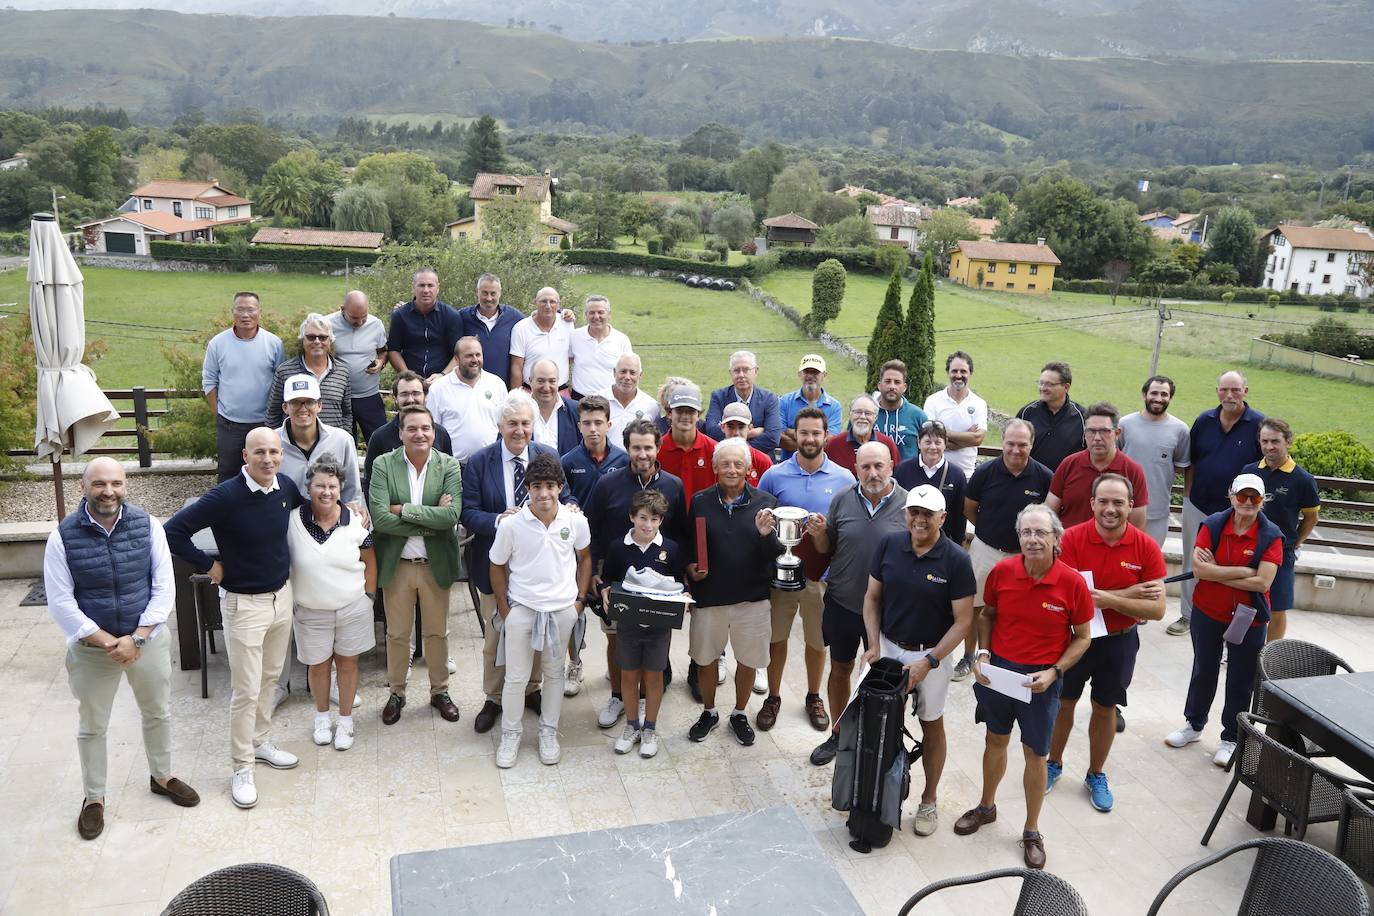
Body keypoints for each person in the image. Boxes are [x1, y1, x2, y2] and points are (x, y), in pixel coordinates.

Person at [45, 458, 199, 840]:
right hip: (92, 650)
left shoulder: (148, 526)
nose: (108, 491)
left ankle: (161, 777)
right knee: (93, 726)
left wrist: (138, 637)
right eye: (99, 483)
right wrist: (107, 641)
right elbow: (61, 602)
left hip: (144, 641)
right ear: (84, 487)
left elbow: (164, 587)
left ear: (125, 484)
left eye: (115, 482)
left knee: (157, 712)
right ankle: (94, 798)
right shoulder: (62, 537)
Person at [165, 428, 305, 809]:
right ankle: (241, 766)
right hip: (245, 605)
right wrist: (211, 567)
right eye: (259, 452)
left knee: (271, 679)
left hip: (281, 597)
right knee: (245, 689)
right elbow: (173, 532)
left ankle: (259, 742)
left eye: (274, 452)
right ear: (245, 456)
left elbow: (309, 508)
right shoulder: (225, 495)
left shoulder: (285, 488)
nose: (268, 459)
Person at [957, 504, 1092, 870]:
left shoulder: (1072, 583)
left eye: (1040, 533)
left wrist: (1054, 672)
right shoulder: (1002, 571)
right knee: (994, 741)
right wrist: (982, 653)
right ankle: (987, 807)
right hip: (999, 673)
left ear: (1056, 538)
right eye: (1026, 533)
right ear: (1018, 537)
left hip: (1040, 681)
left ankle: (1031, 830)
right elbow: (987, 615)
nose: (1032, 539)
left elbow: (1082, 638)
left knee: (1036, 755)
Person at [860, 485, 976, 837]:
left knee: (931, 724)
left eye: (929, 514)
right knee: (877, 721)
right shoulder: (888, 545)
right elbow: (871, 598)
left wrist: (929, 661)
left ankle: (928, 798)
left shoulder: (956, 559)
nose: (920, 520)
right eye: (914, 512)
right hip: (889, 648)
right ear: (905, 514)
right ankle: (875, 793)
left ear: (943, 518)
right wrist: (873, 644)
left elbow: (963, 621)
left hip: (932, 654)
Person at [1047, 474, 1166, 813]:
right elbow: (1060, 594)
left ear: (1131, 505)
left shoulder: (1145, 547)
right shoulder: (1070, 539)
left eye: (1118, 502)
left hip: (1119, 642)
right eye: (1104, 501)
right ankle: (1052, 764)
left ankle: (1095, 774)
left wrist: (1107, 598)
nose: (1110, 509)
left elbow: (1156, 609)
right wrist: (1129, 594)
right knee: (1063, 703)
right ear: (1092, 504)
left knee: (1105, 708)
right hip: (1074, 638)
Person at [460, 392, 567, 734]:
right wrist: (499, 521)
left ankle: (532, 688)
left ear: (533, 426)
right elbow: (468, 511)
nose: (519, 431)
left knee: (536, 627)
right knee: (497, 634)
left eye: (525, 423)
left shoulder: (548, 456)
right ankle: (493, 697)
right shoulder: (480, 461)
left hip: (538, 565)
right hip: (495, 562)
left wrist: (573, 508)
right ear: (499, 426)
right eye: (512, 424)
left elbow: (569, 495)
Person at [1165, 473, 1281, 768]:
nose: (1247, 503)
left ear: (1262, 501)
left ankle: (1231, 737)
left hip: (1249, 618)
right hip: (1208, 612)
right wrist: (1244, 572)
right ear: (1231, 496)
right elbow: (1200, 570)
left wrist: (1221, 570)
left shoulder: (1271, 535)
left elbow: (1262, 584)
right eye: (1242, 496)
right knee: (1204, 669)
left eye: (1254, 498)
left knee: (1241, 679)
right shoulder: (1213, 524)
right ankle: (1194, 725)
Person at [807, 442, 909, 767]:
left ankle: (877, 739)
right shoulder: (842, 499)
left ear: (892, 465)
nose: (873, 473)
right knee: (840, 669)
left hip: (887, 611)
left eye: (879, 466)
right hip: (842, 602)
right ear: (856, 469)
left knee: (882, 679)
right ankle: (838, 734)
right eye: (865, 467)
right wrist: (819, 533)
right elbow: (827, 546)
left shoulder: (908, 506)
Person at [490, 453, 592, 768]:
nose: (543, 493)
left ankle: (548, 732)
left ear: (560, 487)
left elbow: (585, 558)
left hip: (562, 608)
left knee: (553, 673)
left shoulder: (575, 520)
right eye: (536, 486)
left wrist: (578, 602)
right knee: (516, 676)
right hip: (522, 607)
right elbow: (496, 565)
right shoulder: (511, 525)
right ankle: (511, 734)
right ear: (528, 488)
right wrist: (506, 610)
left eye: (550, 485)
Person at [756, 407, 854, 731]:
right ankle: (773, 696)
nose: (809, 439)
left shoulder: (843, 478)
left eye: (816, 433)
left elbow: (845, 530)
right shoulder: (774, 474)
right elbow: (764, 523)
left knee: (817, 641)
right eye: (804, 433)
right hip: (781, 577)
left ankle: (814, 695)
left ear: (826, 436)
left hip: (821, 579)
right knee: (776, 638)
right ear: (793, 435)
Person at [583, 418, 687, 721]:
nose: (642, 454)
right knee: (616, 638)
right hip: (616, 576)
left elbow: (680, 533)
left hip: (659, 575)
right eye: (636, 448)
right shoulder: (607, 484)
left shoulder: (673, 486)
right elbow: (593, 529)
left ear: (658, 448)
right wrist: (594, 572)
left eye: (648, 448)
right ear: (627, 448)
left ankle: (644, 698)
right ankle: (618, 696)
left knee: (655, 636)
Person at [684, 439, 783, 747]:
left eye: (738, 464)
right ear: (714, 468)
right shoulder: (700, 501)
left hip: (751, 599)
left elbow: (777, 553)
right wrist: (690, 571)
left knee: (748, 660)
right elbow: (690, 547)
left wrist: (766, 536)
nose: (731, 469)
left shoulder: (766, 503)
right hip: (709, 597)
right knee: (705, 659)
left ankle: (739, 713)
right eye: (724, 464)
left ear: (749, 469)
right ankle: (710, 712)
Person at [368, 405, 463, 726]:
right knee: (397, 635)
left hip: (435, 564)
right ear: (401, 433)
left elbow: (451, 517)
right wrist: (428, 519)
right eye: (412, 428)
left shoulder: (448, 465)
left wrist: (403, 510)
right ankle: (397, 692)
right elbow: (380, 519)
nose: (419, 434)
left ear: (433, 432)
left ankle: (440, 691)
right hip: (399, 565)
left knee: (437, 633)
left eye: (425, 428)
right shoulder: (383, 464)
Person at [288, 458, 377, 752]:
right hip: (311, 610)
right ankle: (322, 717)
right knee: (318, 666)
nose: (326, 491)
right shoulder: (291, 521)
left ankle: (347, 720)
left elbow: (369, 560)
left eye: (332, 486)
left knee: (348, 663)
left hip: (352, 607)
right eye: (319, 485)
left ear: (340, 488)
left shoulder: (355, 521)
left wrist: (369, 597)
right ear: (308, 487)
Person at [955, 420, 1054, 681]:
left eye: (1022, 444)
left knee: (1021, 607)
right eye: (1010, 443)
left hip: (1024, 558)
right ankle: (968, 655)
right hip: (985, 550)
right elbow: (969, 507)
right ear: (1003, 443)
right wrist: (988, 531)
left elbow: (1049, 517)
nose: (1015, 449)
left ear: (1031, 445)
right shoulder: (985, 472)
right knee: (974, 605)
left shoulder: (1044, 477)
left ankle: (1011, 656)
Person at [1168, 371, 1265, 636]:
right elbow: (1191, 461)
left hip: (1237, 511)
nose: (1229, 395)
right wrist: (1187, 497)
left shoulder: (1257, 424)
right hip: (1198, 503)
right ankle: (1187, 616)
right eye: (1224, 390)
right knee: (1193, 560)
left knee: (1228, 562)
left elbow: (1263, 466)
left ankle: (1225, 619)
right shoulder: (1204, 420)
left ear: (1246, 391)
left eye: (1235, 390)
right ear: (1217, 391)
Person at [599, 490, 685, 760]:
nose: (648, 525)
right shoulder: (618, 547)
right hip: (628, 625)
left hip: (659, 628)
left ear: (661, 520)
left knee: (653, 676)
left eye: (655, 519)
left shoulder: (670, 549)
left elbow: (679, 583)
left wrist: (682, 601)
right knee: (629, 674)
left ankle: (650, 728)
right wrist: (603, 590)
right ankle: (631, 726)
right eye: (643, 518)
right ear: (632, 517)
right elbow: (608, 579)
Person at [1243, 418, 1320, 642]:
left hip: (1280, 553)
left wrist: (1294, 543)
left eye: (1275, 441)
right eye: (1264, 441)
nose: (1269, 447)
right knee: (1242, 602)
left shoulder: (1303, 480)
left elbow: (1311, 517)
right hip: (1247, 548)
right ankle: (1237, 648)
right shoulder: (1249, 471)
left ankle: (1269, 655)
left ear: (1289, 442)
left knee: (1276, 608)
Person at [203, 291, 283, 481]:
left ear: (259, 312)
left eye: (250, 310)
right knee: (228, 474)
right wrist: (219, 413)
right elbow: (209, 380)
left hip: (265, 423)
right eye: (240, 310)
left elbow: (281, 382)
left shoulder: (274, 343)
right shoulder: (217, 343)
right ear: (233, 312)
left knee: (266, 472)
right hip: (230, 424)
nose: (245, 315)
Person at [1045, 402, 1148, 530]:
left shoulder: (1132, 471)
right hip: (1070, 546)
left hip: (1112, 547)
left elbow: (1137, 525)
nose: (1097, 438)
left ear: (1117, 433)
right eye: (1091, 431)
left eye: (1104, 431)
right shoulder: (1068, 465)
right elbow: (1049, 513)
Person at [1119, 375, 1191, 546]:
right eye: (1154, 393)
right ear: (1144, 394)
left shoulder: (1180, 430)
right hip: (1122, 511)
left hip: (1157, 514)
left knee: (1149, 566)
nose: (1159, 399)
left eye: (1164, 394)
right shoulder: (1125, 424)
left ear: (1170, 398)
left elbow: (1183, 468)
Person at [276, 374, 361, 506]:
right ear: (285, 407)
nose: (303, 408)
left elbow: (352, 495)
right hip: (284, 521)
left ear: (319, 405)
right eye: (295, 402)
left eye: (309, 402)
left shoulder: (342, 440)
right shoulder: (271, 443)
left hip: (332, 521)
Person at [364, 372, 454, 493]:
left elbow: (449, 480)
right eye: (404, 394)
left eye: (416, 393)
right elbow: (370, 482)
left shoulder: (441, 434)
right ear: (396, 398)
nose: (411, 399)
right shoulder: (380, 437)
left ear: (425, 396)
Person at [265, 313, 354, 433]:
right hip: (293, 446)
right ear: (303, 339)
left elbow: (347, 414)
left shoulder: (342, 372)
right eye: (311, 337)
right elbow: (273, 414)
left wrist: (344, 438)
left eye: (323, 337)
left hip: (332, 445)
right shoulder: (285, 372)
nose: (317, 341)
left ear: (330, 340)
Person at [426, 336, 506, 461]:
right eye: (469, 356)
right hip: (453, 467)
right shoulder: (438, 389)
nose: (475, 360)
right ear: (457, 359)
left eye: (478, 355)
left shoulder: (497, 384)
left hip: (490, 464)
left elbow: (504, 424)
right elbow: (432, 430)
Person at [327, 290, 389, 442]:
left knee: (380, 441)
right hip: (338, 397)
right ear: (342, 309)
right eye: (354, 318)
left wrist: (380, 363)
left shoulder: (376, 324)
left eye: (364, 317)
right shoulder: (326, 325)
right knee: (343, 444)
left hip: (369, 396)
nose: (360, 322)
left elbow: (383, 351)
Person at [895, 420, 967, 547]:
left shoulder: (956, 475)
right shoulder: (902, 470)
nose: (933, 447)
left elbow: (960, 514)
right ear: (918, 443)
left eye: (938, 442)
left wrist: (957, 543)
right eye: (927, 442)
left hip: (942, 543)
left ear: (945, 444)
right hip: (907, 540)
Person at [386, 268, 462, 384]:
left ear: (438, 288)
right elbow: (393, 350)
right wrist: (408, 376)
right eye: (421, 285)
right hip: (409, 383)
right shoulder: (400, 316)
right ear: (413, 287)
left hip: (444, 382)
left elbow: (459, 353)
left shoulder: (451, 315)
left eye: (430, 285)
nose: (426, 290)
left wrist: (443, 375)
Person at [703, 350, 782, 454]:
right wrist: (751, 433)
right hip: (727, 457)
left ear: (756, 371)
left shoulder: (769, 399)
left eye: (746, 370)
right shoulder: (719, 397)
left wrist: (740, 447)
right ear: (730, 373)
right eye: (736, 370)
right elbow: (712, 431)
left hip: (759, 461)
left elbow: (773, 437)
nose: (741, 375)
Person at [923, 350, 988, 478]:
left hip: (967, 474)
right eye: (954, 371)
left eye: (963, 371)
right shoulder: (933, 401)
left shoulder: (979, 403)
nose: (958, 375)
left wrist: (944, 433)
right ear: (948, 372)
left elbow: (977, 439)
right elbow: (929, 440)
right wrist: (967, 436)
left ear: (970, 373)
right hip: (935, 472)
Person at [1015, 361, 1086, 472]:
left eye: (1049, 384)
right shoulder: (1026, 413)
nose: (1043, 388)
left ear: (1066, 387)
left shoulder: (1083, 417)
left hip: (1067, 483)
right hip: (1031, 481)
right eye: (1041, 383)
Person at [457, 273, 524, 389]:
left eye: (493, 293)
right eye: (484, 293)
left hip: (503, 389)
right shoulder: (462, 317)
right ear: (477, 292)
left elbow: (535, 322)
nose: (489, 298)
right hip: (470, 388)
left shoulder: (514, 317)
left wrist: (561, 313)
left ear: (500, 293)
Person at [560, 394, 629, 506]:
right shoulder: (567, 462)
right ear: (579, 426)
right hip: (580, 522)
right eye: (587, 423)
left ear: (608, 425)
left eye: (598, 423)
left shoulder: (624, 460)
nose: (592, 429)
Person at [658, 383, 717, 504]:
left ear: (698, 415)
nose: (685, 416)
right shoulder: (656, 450)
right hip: (666, 519)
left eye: (691, 411)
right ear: (669, 413)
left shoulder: (715, 450)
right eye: (679, 411)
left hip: (702, 520)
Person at [777, 354, 843, 459]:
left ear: (824, 375)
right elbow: (779, 437)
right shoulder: (784, 402)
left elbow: (829, 441)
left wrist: (790, 431)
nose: (810, 376)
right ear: (800, 374)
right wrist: (816, 441)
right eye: (807, 371)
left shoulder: (834, 406)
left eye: (815, 372)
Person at [569, 295, 633, 399]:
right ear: (586, 315)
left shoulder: (621, 340)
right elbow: (564, 361)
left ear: (609, 315)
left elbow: (631, 371)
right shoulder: (574, 336)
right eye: (592, 312)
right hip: (579, 399)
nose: (596, 316)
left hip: (611, 400)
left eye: (600, 312)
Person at [509, 287, 574, 389]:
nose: (548, 306)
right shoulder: (521, 328)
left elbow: (571, 356)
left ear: (558, 304)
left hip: (560, 391)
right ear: (536, 302)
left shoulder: (567, 324)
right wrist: (516, 397)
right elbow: (516, 367)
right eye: (543, 301)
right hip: (530, 392)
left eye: (552, 302)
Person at [824, 395, 899, 474]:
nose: (862, 417)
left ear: (875, 417)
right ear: (850, 414)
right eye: (858, 412)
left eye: (868, 413)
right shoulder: (834, 444)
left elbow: (896, 475)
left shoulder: (887, 444)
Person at [597, 352, 660, 448]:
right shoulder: (598, 400)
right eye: (623, 371)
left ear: (640, 375)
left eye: (632, 373)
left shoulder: (651, 406)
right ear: (614, 372)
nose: (627, 377)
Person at [873, 359, 929, 463]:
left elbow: (928, 451)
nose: (892, 386)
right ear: (880, 385)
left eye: (897, 382)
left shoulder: (918, 416)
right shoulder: (866, 414)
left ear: (904, 387)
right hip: (874, 477)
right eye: (888, 381)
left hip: (909, 477)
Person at [530, 358, 581, 455]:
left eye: (552, 381)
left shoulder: (576, 410)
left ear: (558, 381)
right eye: (540, 381)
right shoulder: (519, 412)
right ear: (530, 381)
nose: (546, 387)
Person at [719, 402, 775, 488]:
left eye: (741, 427)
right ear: (722, 427)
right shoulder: (715, 458)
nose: (736, 433)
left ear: (749, 428)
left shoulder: (762, 461)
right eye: (731, 427)